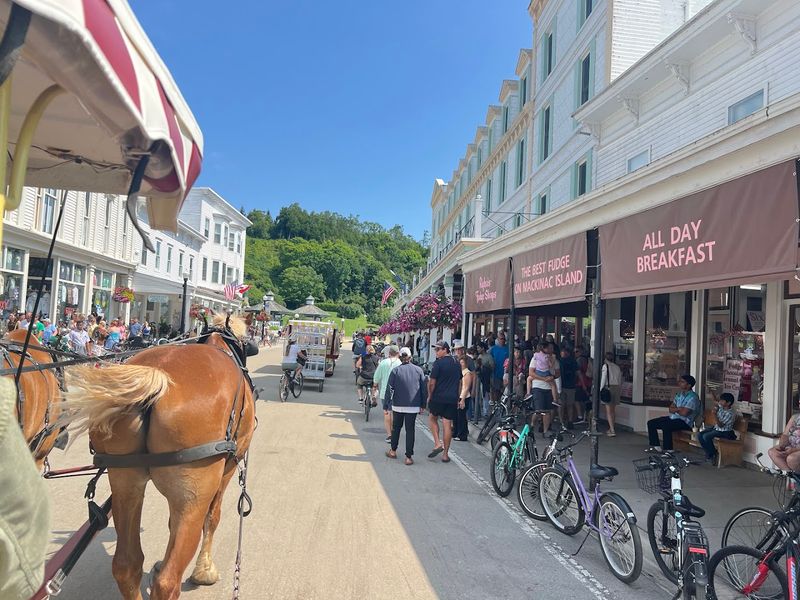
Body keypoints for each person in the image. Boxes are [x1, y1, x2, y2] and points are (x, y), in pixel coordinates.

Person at [386, 347, 427, 465]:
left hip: (398, 404)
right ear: (410, 357)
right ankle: (408, 457)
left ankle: (393, 450)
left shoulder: (395, 371)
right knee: (410, 430)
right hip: (413, 405)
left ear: (400, 357)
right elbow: (423, 389)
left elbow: (390, 389)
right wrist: (423, 404)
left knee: (396, 428)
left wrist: (387, 404)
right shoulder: (418, 370)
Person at [427, 341, 461, 462]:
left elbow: (432, 382)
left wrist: (430, 395)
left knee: (432, 418)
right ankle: (445, 455)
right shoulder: (456, 363)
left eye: (438, 349)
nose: (436, 352)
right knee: (447, 424)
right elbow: (459, 382)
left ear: (445, 350)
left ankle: (437, 443)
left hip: (438, 397)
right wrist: (458, 397)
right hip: (452, 398)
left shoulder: (438, 363)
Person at [647, 375, 701, 451]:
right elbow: (670, 409)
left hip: (685, 422)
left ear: (689, 385)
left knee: (666, 426)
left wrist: (676, 409)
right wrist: (679, 409)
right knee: (651, 423)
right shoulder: (679, 395)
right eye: (680, 381)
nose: (680, 383)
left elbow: (684, 413)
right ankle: (655, 446)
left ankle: (669, 450)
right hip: (673, 418)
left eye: (682, 382)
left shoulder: (693, 397)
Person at [373, 345, 402, 443]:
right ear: (398, 353)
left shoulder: (383, 363)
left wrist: (375, 385)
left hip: (385, 392)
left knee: (386, 413)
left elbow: (376, 377)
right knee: (394, 412)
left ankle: (389, 435)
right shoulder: (400, 363)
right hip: (397, 392)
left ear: (389, 353)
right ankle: (394, 432)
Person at [698, 392, 736, 463]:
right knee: (700, 435)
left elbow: (720, 425)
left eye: (722, 400)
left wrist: (715, 415)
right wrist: (711, 392)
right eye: (720, 400)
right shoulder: (722, 406)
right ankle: (710, 453)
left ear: (728, 403)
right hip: (716, 429)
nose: (720, 402)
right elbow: (715, 401)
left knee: (706, 436)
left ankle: (713, 453)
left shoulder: (730, 414)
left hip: (725, 432)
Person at [528, 342, 557, 433]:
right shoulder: (535, 358)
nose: (551, 350)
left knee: (547, 411)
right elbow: (531, 373)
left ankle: (545, 431)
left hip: (548, 387)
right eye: (549, 348)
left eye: (552, 348)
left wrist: (552, 377)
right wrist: (543, 378)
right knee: (539, 410)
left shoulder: (553, 359)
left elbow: (556, 372)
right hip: (538, 386)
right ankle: (532, 424)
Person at [600, 352, 622, 437]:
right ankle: (611, 427)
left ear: (605, 358)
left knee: (608, 411)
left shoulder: (605, 366)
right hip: (616, 388)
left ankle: (612, 430)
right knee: (613, 410)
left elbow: (603, 378)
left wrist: (600, 389)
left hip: (608, 388)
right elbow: (620, 379)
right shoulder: (617, 367)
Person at [454, 356, 473, 441]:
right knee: (458, 416)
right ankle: (457, 432)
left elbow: (466, 387)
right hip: (460, 395)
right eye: (460, 362)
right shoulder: (460, 372)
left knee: (462, 416)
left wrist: (463, 399)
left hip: (465, 396)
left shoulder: (467, 373)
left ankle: (462, 435)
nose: (461, 364)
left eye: (462, 363)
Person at [558, 347, 578, 428]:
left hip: (562, 386)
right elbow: (578, 373)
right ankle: (570, 421)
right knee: (570, 405)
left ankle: (561, 422)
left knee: (561, 405)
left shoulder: (559, 361)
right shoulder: (573, 361)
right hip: (571, 386)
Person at [476, 342, 494, 421]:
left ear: (483, 348)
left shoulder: (489, 357)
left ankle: (485, 412)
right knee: (479, 395)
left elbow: (492, 366)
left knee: (485, 395)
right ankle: (480, 411)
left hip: (486, 378)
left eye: (479, 347)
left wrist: (485, 367)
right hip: (479, 377)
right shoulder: (479, 356)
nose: (478, 349)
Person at [489, 334, 508, 405]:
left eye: (503, 339)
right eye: (501, 339)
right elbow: (489, 359)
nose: (502, 340)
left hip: (505, 373)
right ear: (498, 339)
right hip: (495, 372)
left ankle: (501, 403)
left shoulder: (508, 349)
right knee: (495, 389)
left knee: (503, 390)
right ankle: (495, 403)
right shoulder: (493, 349)